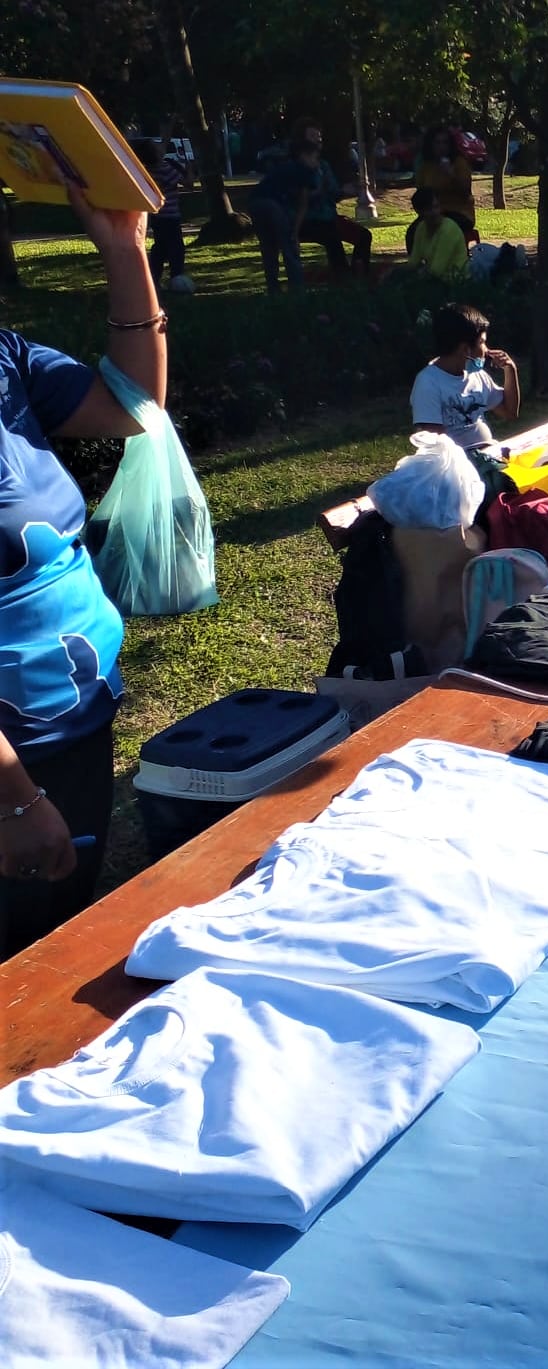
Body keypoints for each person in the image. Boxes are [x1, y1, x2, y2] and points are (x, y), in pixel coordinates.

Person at [2, 186, 166, 957]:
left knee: (59, 928)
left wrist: (123, 248)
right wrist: (14, 799)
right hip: (12, 761)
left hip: (73, 714)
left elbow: (133, 407)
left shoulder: (6, 358)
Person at [409, 303, 520, 453]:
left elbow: (510, 412)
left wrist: (510, 369)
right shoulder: (428, 382)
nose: (486, 350)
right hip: (456, 465)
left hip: (487, 454)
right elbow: (435, 445)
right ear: (464, 349)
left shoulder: (478, 376)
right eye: (482, 342)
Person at [295, 123, 372, 280]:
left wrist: (347, 190)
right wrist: (319, 192)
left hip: (329, 217)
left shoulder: (324, 165)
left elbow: (334, 193)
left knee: (364, 236)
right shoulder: (294, 167)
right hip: (306, 220)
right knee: (332, 236)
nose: (317, 141)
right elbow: (297, 198)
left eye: (319, 138)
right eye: (312, 137)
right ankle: (343, 277)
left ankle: (360, 275)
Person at [247, 139, 321, 294]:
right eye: (314, 158)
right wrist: (295, 231)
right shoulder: (305, 171)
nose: (316, 162)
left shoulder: (285, 167)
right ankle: (297, 289)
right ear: (303, 156)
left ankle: (273, 289)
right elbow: (303, 204)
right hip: (273, 205)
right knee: (289, 246)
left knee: (268, 248)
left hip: (255, 202)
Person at [130, 137, 192, 292]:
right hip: (171, 216)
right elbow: (188, 183)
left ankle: (154, 279)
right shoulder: (165, 169)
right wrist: (190, 169)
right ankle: (177, 277)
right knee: (176, 248)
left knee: (160, 248)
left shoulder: (146, 172)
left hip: (157, 216)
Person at [413, 127, 476, 245]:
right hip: (432, 213)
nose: (441, 147)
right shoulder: (426, 166)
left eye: (445, 143)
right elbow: (421, 194)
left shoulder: (459, 163)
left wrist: (451, 174)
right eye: (437, 143)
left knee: (443, 229)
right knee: (414, 231)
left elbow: (465, 192)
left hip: (459, 212)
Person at [402, 187, 467, 282]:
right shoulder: (421, 228)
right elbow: (414, 262)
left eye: (436, 207)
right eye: (429, 209)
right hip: (435, 281)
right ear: (419, 212)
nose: (434, 212)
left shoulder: (448, 229)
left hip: (455, 282)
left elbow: (436, 271)